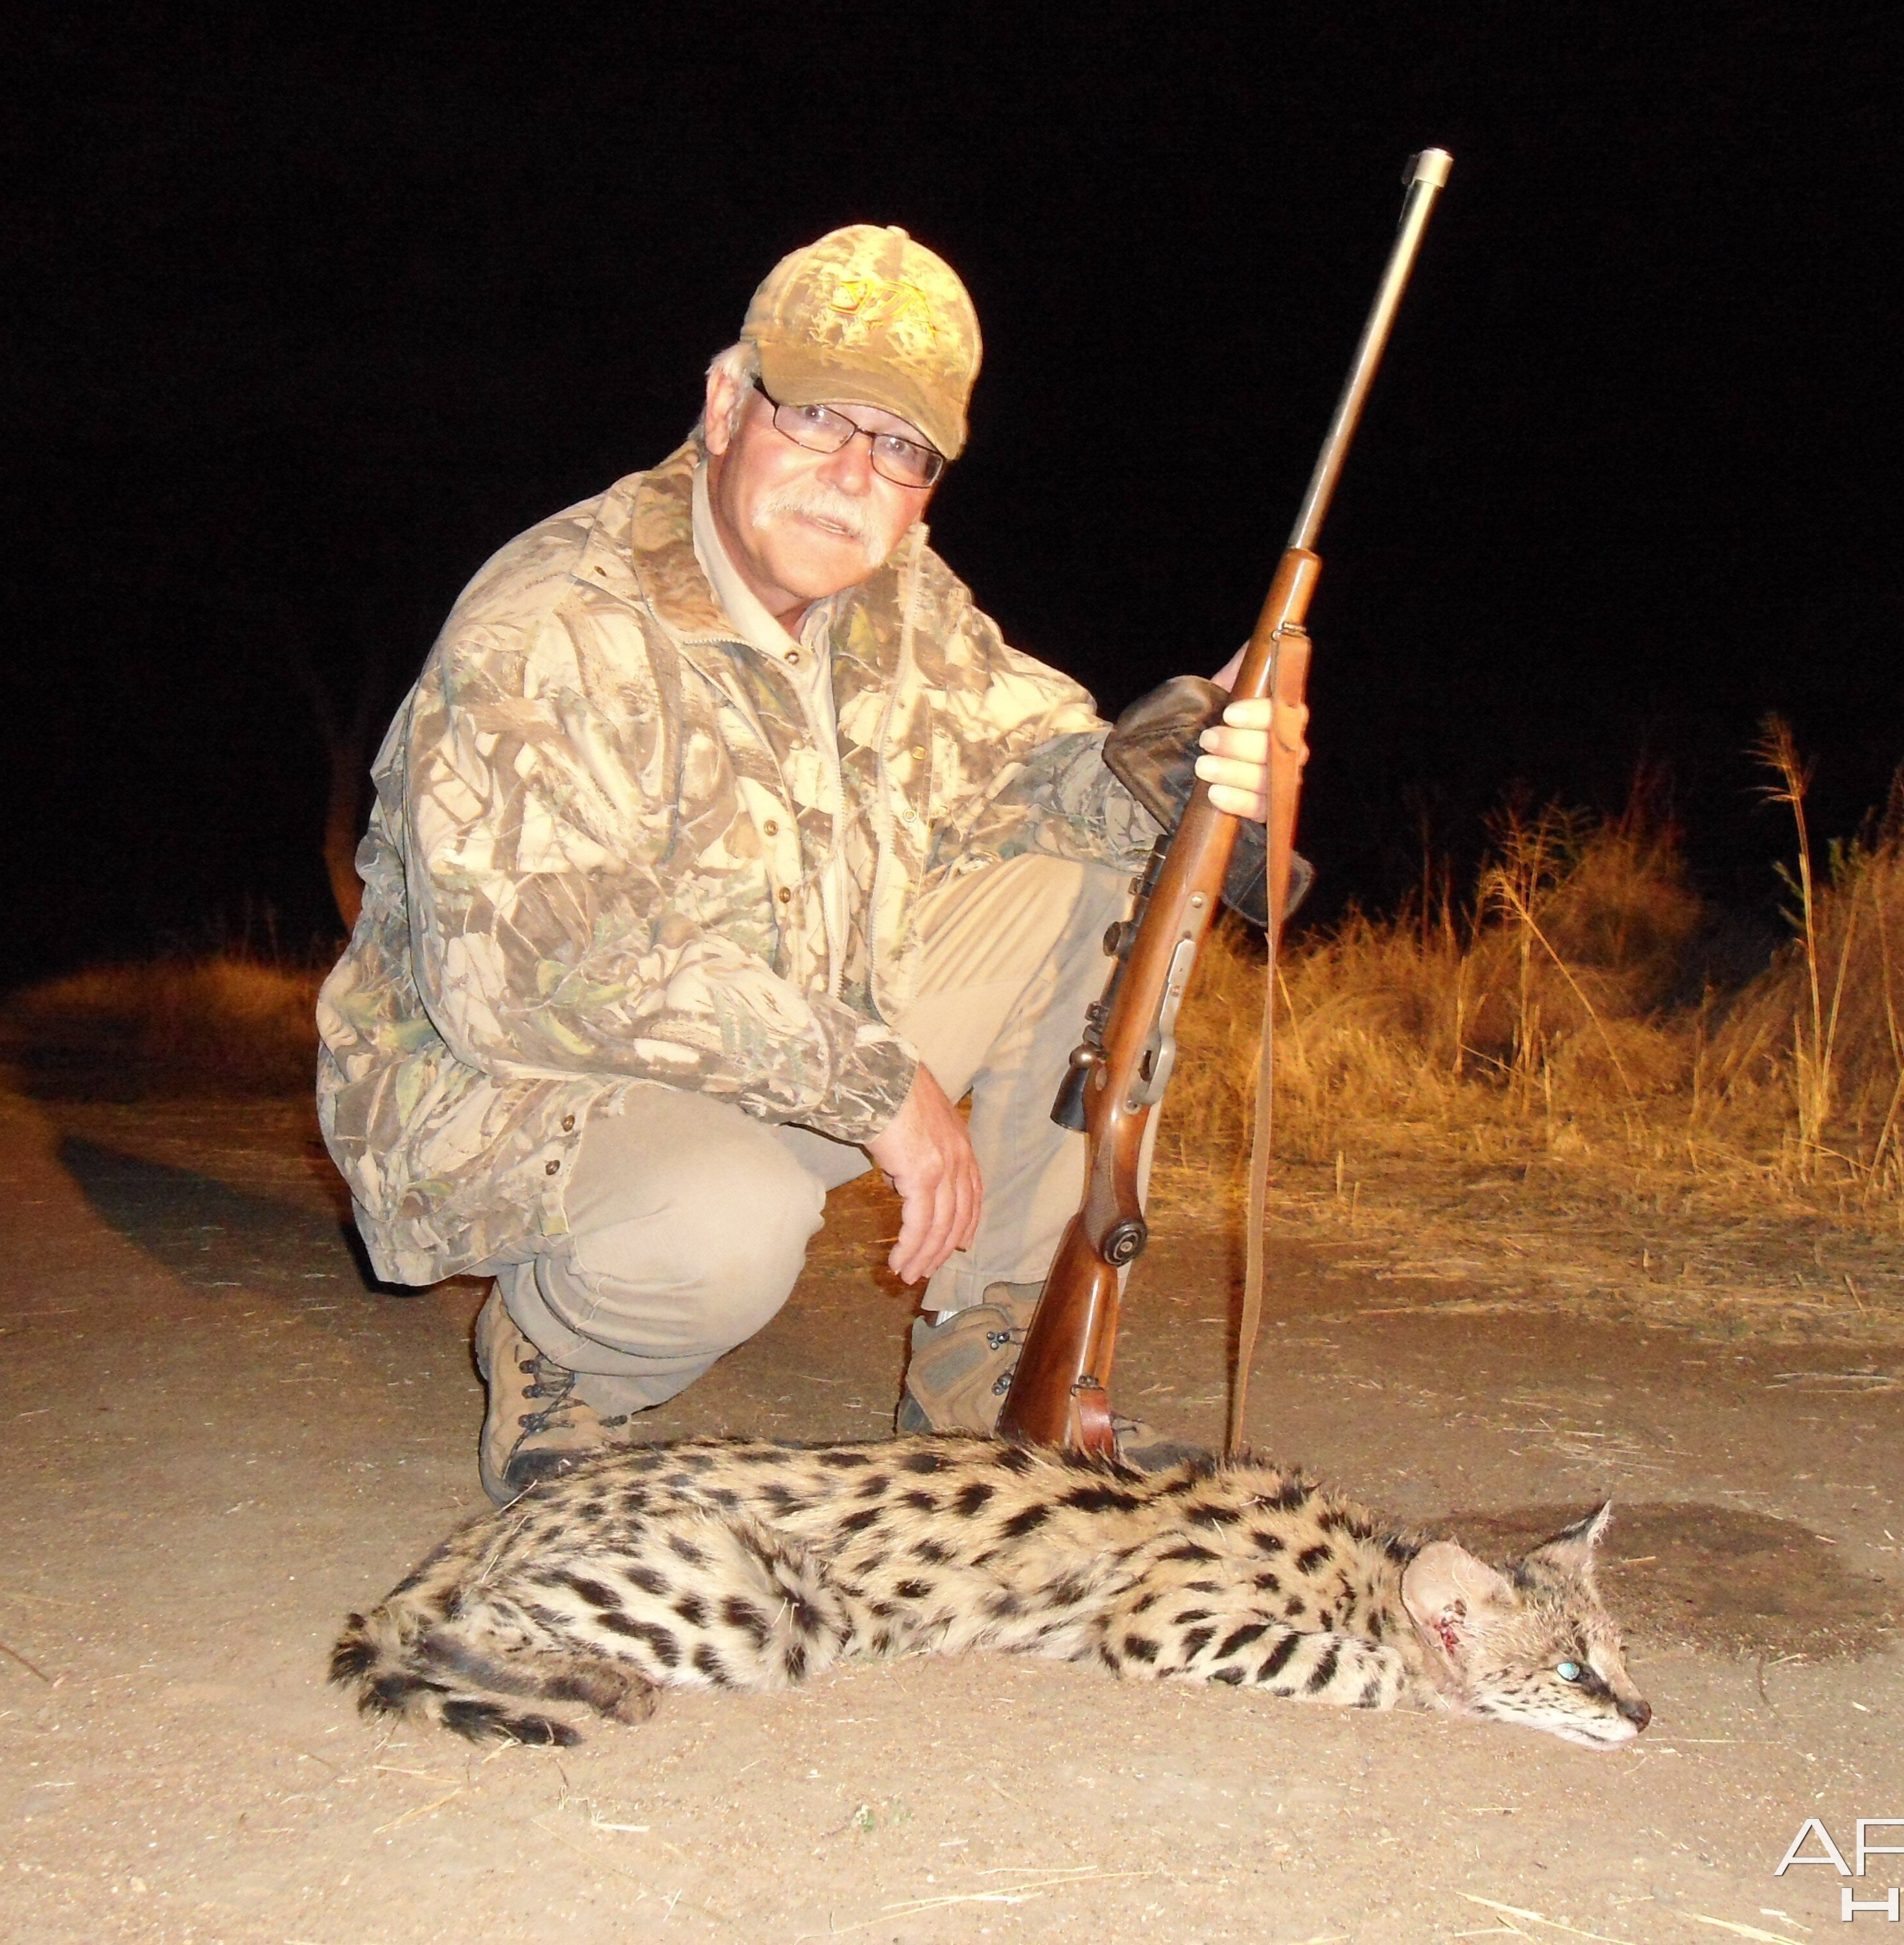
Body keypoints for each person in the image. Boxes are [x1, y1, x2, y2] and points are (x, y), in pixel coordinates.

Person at [316, 224, 1295, 1503]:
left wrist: (1182, 760)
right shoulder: (552, 618)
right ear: (726, 405)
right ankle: (562, 1364)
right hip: (503, 1083)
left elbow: (1029, 768)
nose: (850, 476)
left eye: (899, 447)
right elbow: (524, 967)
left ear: (931, 478)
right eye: (818, 416)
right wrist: (869, 1083)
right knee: (723, 1225)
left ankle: (992, 1372)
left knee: (1095, 888)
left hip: (781, 1041)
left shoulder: (899, 602)